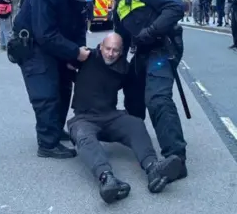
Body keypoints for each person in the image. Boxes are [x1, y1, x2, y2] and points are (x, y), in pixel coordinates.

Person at [68, 33, 183, 204]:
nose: (110, 53)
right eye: (107, 49)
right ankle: (107, 179)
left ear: (121, 52)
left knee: (135, 124)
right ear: (101, 46)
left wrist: (135, 119)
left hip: (110, 116)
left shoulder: (124, 68)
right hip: (84, 118)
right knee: (84, 136)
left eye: (115, 50)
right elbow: (63, 60)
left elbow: (133, 95)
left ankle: (153, 168)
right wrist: (72, 55)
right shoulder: (86, 57)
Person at [106, 0, 188, 181]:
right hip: (142, 53)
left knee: (157, 98)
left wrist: (150, 32)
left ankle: (176, 158)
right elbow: (121, 36)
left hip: (163, 48)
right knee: (132, 93)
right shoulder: (121, 0)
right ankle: (138, 141)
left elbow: (175, 7)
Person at [11, 0, 94, 159]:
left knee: (64, 88)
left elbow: (78, 28)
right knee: (46, 93)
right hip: (35, 47)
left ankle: (55, 129)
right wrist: (74, 52)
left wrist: (76, 54)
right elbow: (45, 34)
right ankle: (47, 144)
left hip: (58, 47)